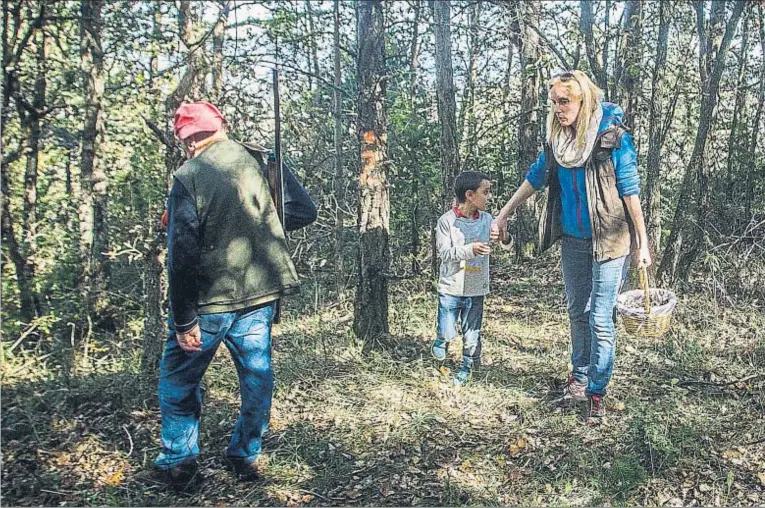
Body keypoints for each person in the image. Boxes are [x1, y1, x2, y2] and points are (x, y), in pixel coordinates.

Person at [153, 101, 316, 487]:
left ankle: (179, 463)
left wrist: (183, 320)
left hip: (210, 301)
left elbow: (181, 258)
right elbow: (303, 212)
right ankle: (245, 457)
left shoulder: (188, 176)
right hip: (260, 294)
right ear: (221, 126)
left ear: (187, 140)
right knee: (256, 377)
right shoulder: (261, 159)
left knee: (177, 380)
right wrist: (263, 229)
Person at [494, 70, 651, 423]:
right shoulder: (558, 141)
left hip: (611, 240)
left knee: (600, 317)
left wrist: (642, 242)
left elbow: (629, 189)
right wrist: (504, 213)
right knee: (577, 311)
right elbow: (536, 176)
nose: (558, 109)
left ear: (584, 100)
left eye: (564, 101)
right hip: (574, 240)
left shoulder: (612, 138)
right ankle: (579, 378)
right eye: (553, 102)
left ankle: (597, 391)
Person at [432, 171, 499, 386]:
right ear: (469, 195)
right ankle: (442, 339)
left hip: (476, 287)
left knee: (472, 334)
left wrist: (503, 236)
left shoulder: (487, 219)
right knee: (447, 328)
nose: (490, 197)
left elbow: (504, 240)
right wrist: (470, 250)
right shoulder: (446, 221)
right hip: (450, 288)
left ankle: (467, 367)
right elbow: (445, 254)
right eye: (485, 192)